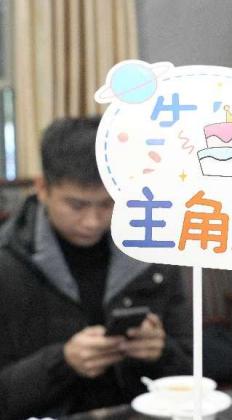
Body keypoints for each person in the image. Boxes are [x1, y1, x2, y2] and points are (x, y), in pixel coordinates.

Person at [0, 117, 192, 419]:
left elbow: (194, 369)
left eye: (107, 204)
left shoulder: (150, 253)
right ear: (42, 188)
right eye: (77, 205)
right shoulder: (8, 263)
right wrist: (63, 363)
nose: (92, 221)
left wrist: (161, 351)